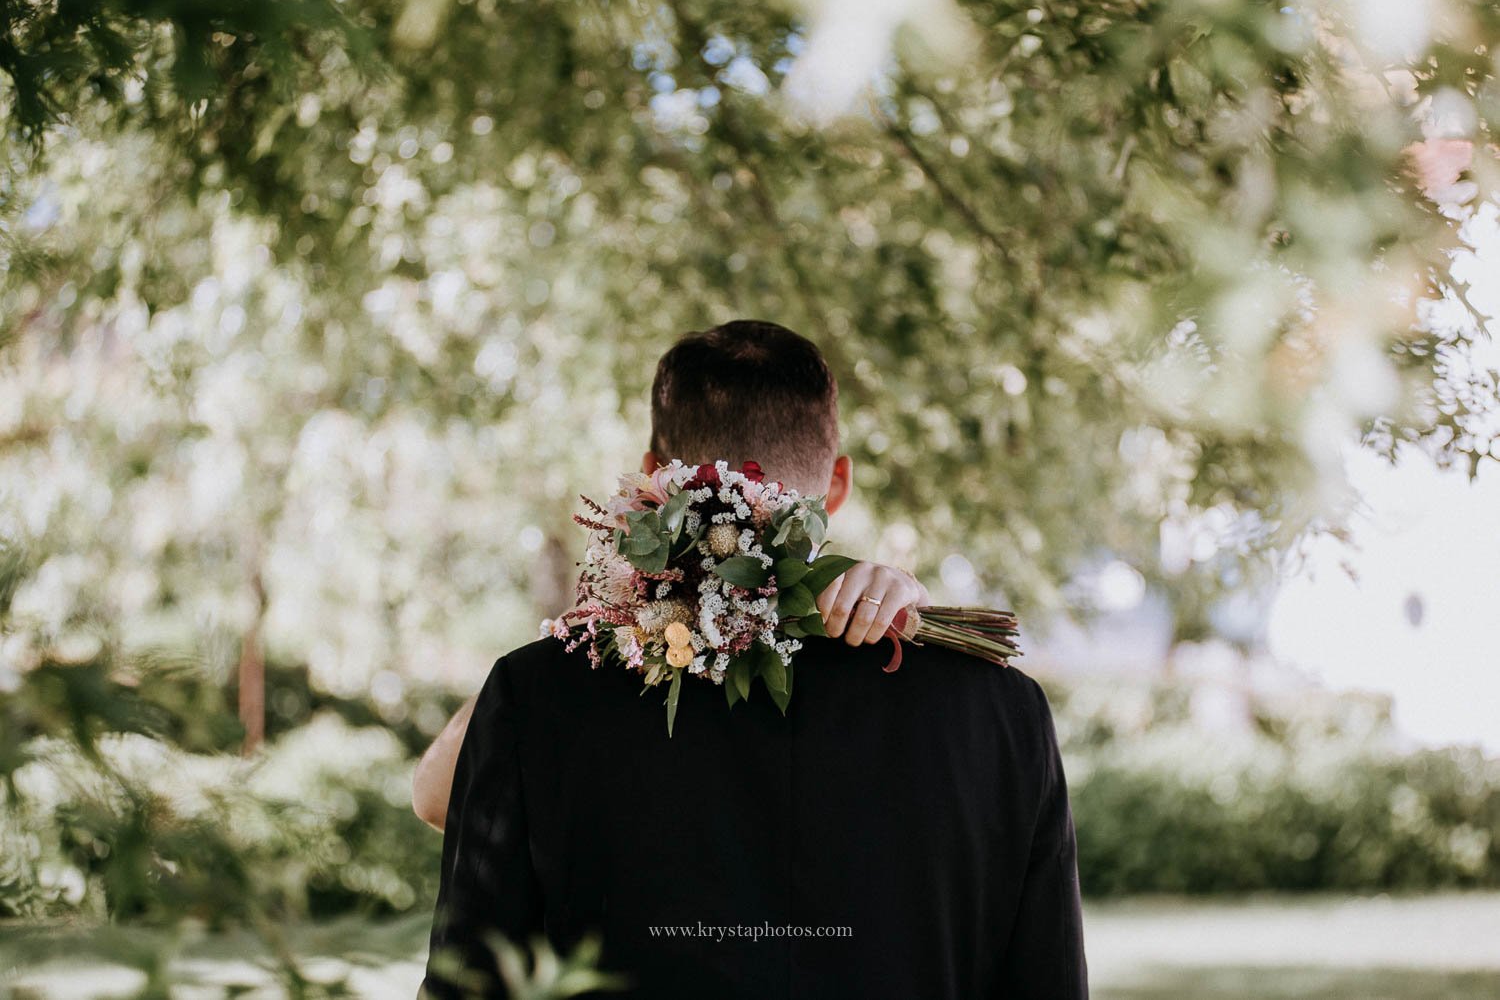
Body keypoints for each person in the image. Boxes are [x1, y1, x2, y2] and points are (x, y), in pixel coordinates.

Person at [420, 319, 1088, 999]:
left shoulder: (542, 694)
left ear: (654, 478)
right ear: (838, 485)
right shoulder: (1002, 712)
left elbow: (466, 977)